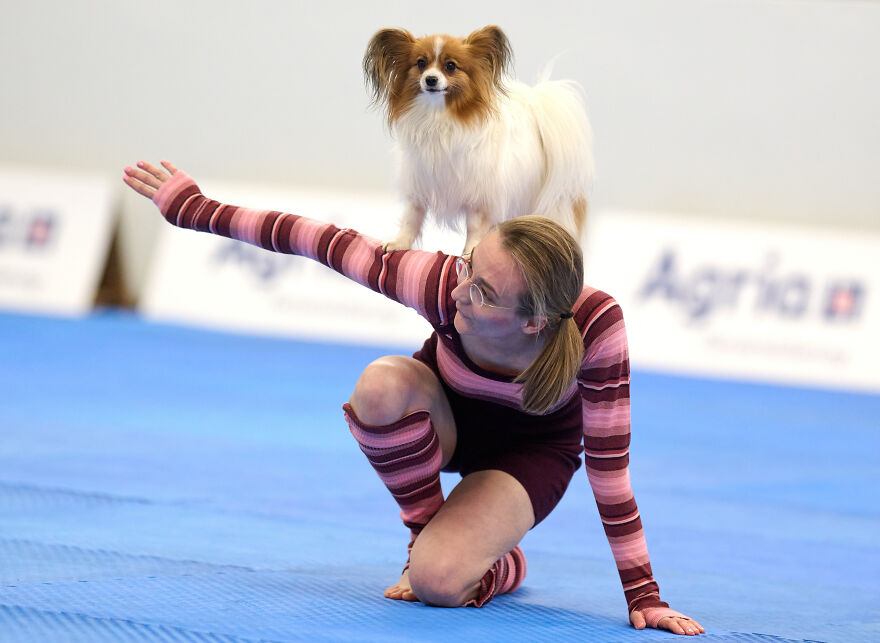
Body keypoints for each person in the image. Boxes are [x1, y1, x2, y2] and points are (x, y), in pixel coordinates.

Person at [123, 160, 705, 636]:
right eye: (469, 265)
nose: (459, 291)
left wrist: (644, 596)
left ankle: (493, 560)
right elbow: (319, 240)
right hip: (442, 419)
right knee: (380, 384)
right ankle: (423, 533)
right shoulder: (440, 282)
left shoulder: (597, 330)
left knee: (439, 586)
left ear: (534, 322)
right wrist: (195, 209)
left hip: (528, 459)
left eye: (483, 291)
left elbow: (610, 471)